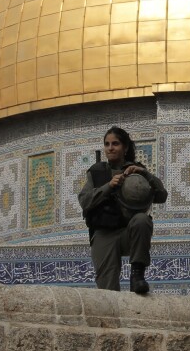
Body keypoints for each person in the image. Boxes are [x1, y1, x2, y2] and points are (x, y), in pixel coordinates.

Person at [78, 126, 167, 294]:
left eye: (115, 144)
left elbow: (161, 196)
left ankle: (137, 275)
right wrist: (108, 187)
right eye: (107, 144)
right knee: (107, 290)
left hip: (128, 232)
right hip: (104, 233)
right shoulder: (97, 172)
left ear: (125, 147)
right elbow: (85, 201)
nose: (110, 148)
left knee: (142, 220)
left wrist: (146, 175)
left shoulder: (136, 172)